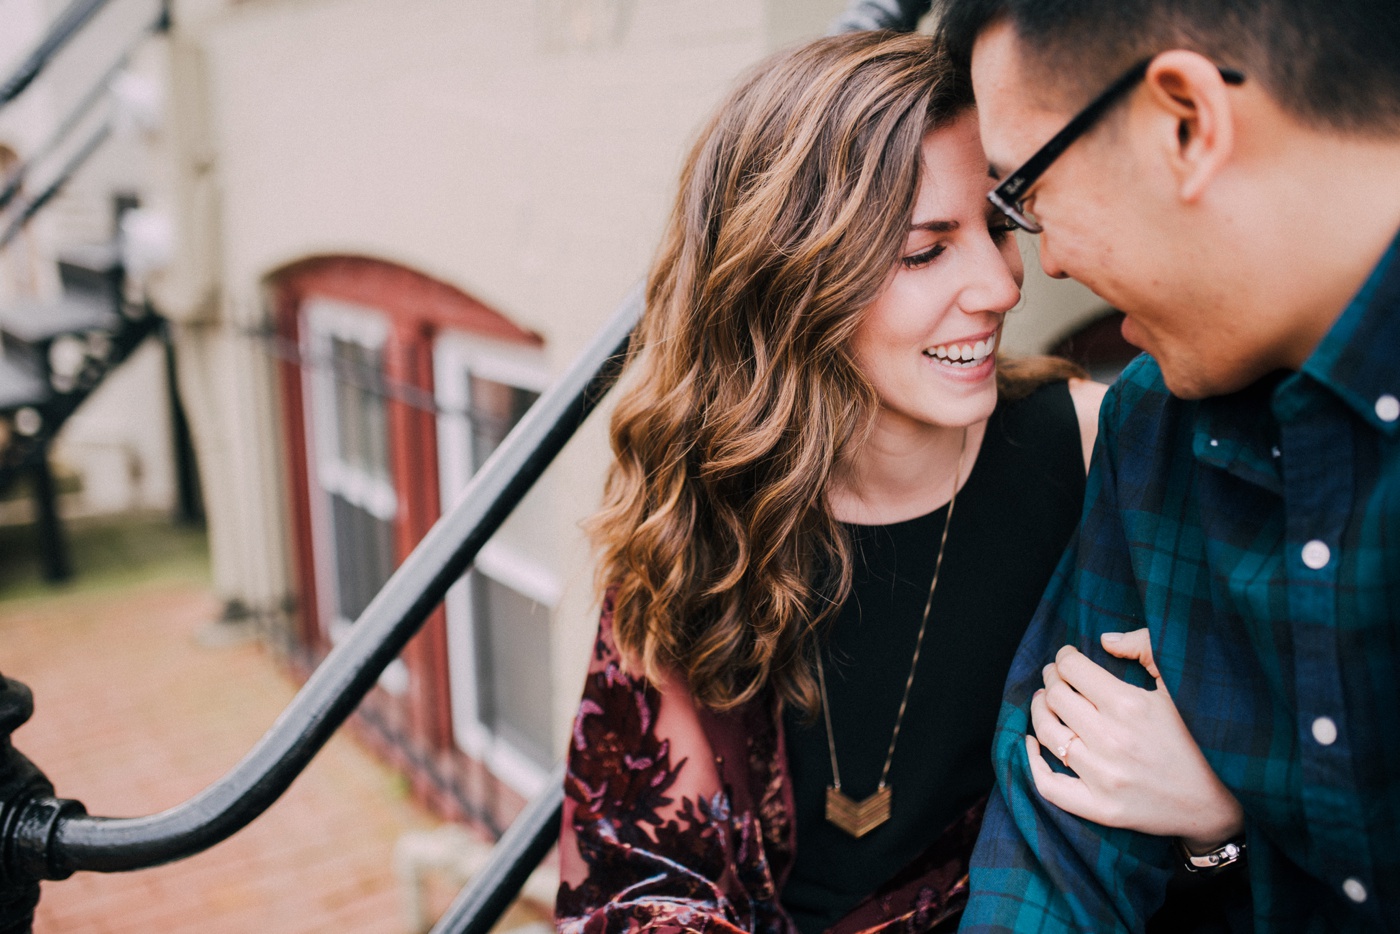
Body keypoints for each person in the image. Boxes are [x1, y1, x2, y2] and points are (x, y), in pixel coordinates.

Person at [554, 31, 1233, 934]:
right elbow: (638, 871)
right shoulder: (698, 502)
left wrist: (1218, 825)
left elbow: (1203, 825)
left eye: (1000, 224)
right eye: (924, 251)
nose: (998, 287)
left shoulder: (1098, 447)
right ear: (791, 279)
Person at [930, 0, 1400, 931]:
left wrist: (1229, 824)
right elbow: (1056, 847)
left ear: (1185, 122)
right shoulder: (1157, 424)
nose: (1043, 264)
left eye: (1022, 193)